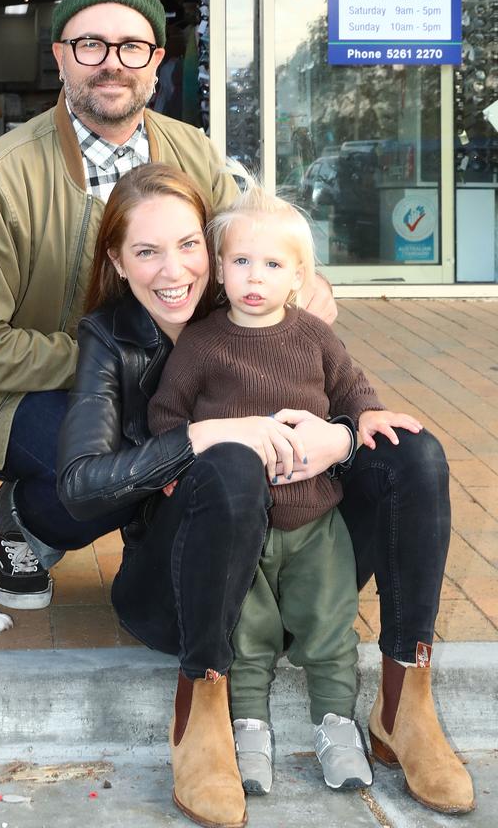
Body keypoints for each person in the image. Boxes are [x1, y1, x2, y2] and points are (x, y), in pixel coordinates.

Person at [55, 164, 474, 824]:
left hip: (301, 568)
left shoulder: (263, 302)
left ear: (212, 250)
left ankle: (404, 702)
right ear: (117, 258)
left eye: (188, 245)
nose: (173, 270)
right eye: (146, 251)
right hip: (183, 592)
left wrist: (341, 437)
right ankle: (200, 714)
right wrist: (209, 436)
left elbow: (336, 378)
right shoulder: (109, 340)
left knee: (412, 453)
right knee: (232, 466)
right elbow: (79, 486)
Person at [0, 0, 336, 612]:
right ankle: (30, 519)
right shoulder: (1, 177)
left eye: (130, 46)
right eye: (90, 45)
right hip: (32, 397)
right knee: (139, 454)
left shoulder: (194, 153)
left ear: (156, 60)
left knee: (260, 414)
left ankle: (222, 564)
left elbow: (253, 238)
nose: (110, 63)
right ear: (61, 56)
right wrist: (114, 365)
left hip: (178, 375)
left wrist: (306, 282)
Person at [146, 181, 420, 796]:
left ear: (298, 276)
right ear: (218, 268)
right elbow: (168, 414)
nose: (255, 277)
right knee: (247, 631)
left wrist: (368, 415)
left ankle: (336, 724)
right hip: (243, 526)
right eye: (241, 261)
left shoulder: (313, 335)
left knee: (328, 622)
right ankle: (247, 728)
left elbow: (349, 386)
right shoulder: (204, 340)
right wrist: (175, 471)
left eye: (272, 265)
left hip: (316, 517)